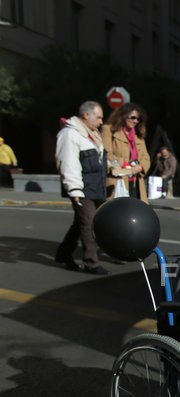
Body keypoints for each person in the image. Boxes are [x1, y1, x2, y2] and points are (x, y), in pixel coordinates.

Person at [54, 101, 109, 275]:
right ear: (86, 115)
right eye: (98, 117)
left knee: (80, 223)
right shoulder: (70, 134)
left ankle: (64, 253)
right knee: (89, 223)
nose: (101, 121)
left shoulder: (91, 134)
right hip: (82, 187)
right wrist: (74, 189)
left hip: (95, 187)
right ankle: (91, 262)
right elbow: (68, 163)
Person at [103, 103, 151, 202]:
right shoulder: (108, 130)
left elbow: (146, 157)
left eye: (138, 119)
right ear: (123, 115)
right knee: (117, 213)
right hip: (117, 182)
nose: (135, 121)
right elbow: (106, 154)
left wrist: (141, 167)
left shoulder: (139, 135)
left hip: (136, 182)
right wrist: (124, 165)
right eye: (133, 117)